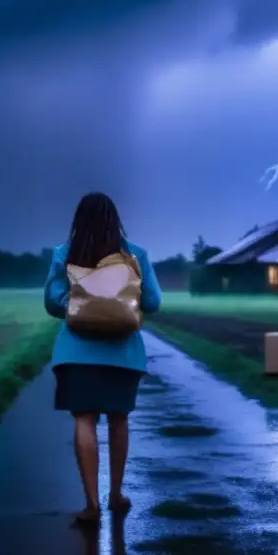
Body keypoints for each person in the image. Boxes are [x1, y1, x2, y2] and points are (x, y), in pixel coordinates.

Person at [44, 192, 162, 525]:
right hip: (123, 353)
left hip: (76, 353)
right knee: (118, 421)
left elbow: (53, 304)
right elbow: (152, 302)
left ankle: (91, 504)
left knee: (84, 421)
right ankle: (116, 494)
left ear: (77, 221)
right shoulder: (135, 254)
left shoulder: (63, 254)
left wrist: (82, 297)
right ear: (116, 220)